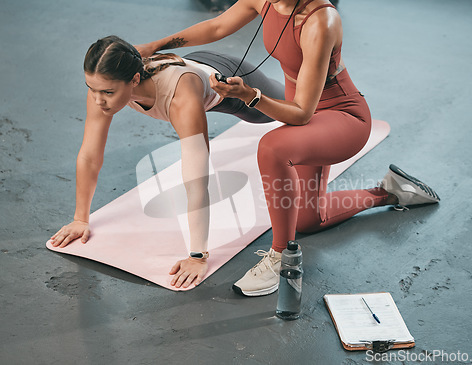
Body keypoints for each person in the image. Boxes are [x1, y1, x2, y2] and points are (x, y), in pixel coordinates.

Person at [136, 0, 440, 297]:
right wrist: (154, 47)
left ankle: (281, 257)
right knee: (308, 220)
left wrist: (250, 95)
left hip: (340, 117)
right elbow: (217, 26)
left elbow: (302, 114)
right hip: (306, 117)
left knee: (272, 147)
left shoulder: (321, 20)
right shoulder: (266, 1)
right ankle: (391, 191)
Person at [49, 35, 285, 289]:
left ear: (134, 80)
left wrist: (198, 255)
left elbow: (196, 179)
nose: (98, 100)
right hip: (193, 67)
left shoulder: (181, 99)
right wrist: (80, 219)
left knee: (296, 106)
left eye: (107, 92)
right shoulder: (103, 88)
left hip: (234, 81)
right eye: (91, 88)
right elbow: (90, 155)